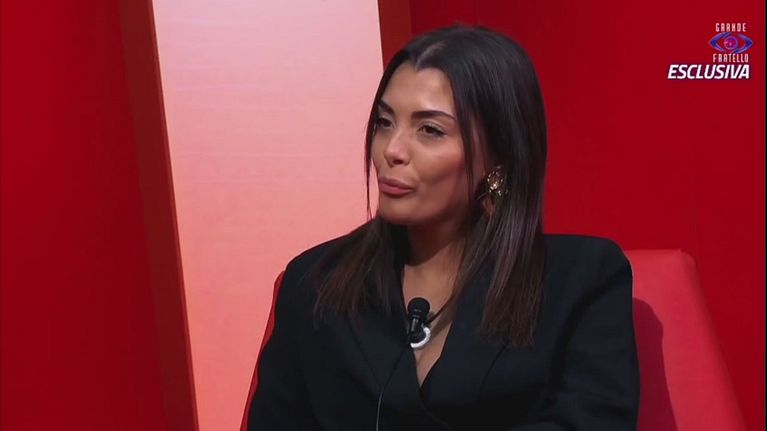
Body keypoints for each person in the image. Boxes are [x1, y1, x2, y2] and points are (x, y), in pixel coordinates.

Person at [242, 24, 639, 431]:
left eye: (429, 130)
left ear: (500, 157)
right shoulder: (316, 281)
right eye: (384, 122)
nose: (392, 150)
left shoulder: (579, 280)